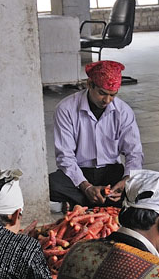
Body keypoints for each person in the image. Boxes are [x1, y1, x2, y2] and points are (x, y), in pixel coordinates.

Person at [48, 60, 143, 207]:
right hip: (80, 172)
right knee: (50, 185)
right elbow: (65, 156)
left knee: (142, 184)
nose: (107, 100)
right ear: (89, 84)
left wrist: (125, 181)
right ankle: (103, 200)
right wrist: (86, 187)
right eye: (102, 93)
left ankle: (90, 201)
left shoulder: (123, 111)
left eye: (113, 95)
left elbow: (134, 153)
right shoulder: (66, 109)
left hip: (111, 171)